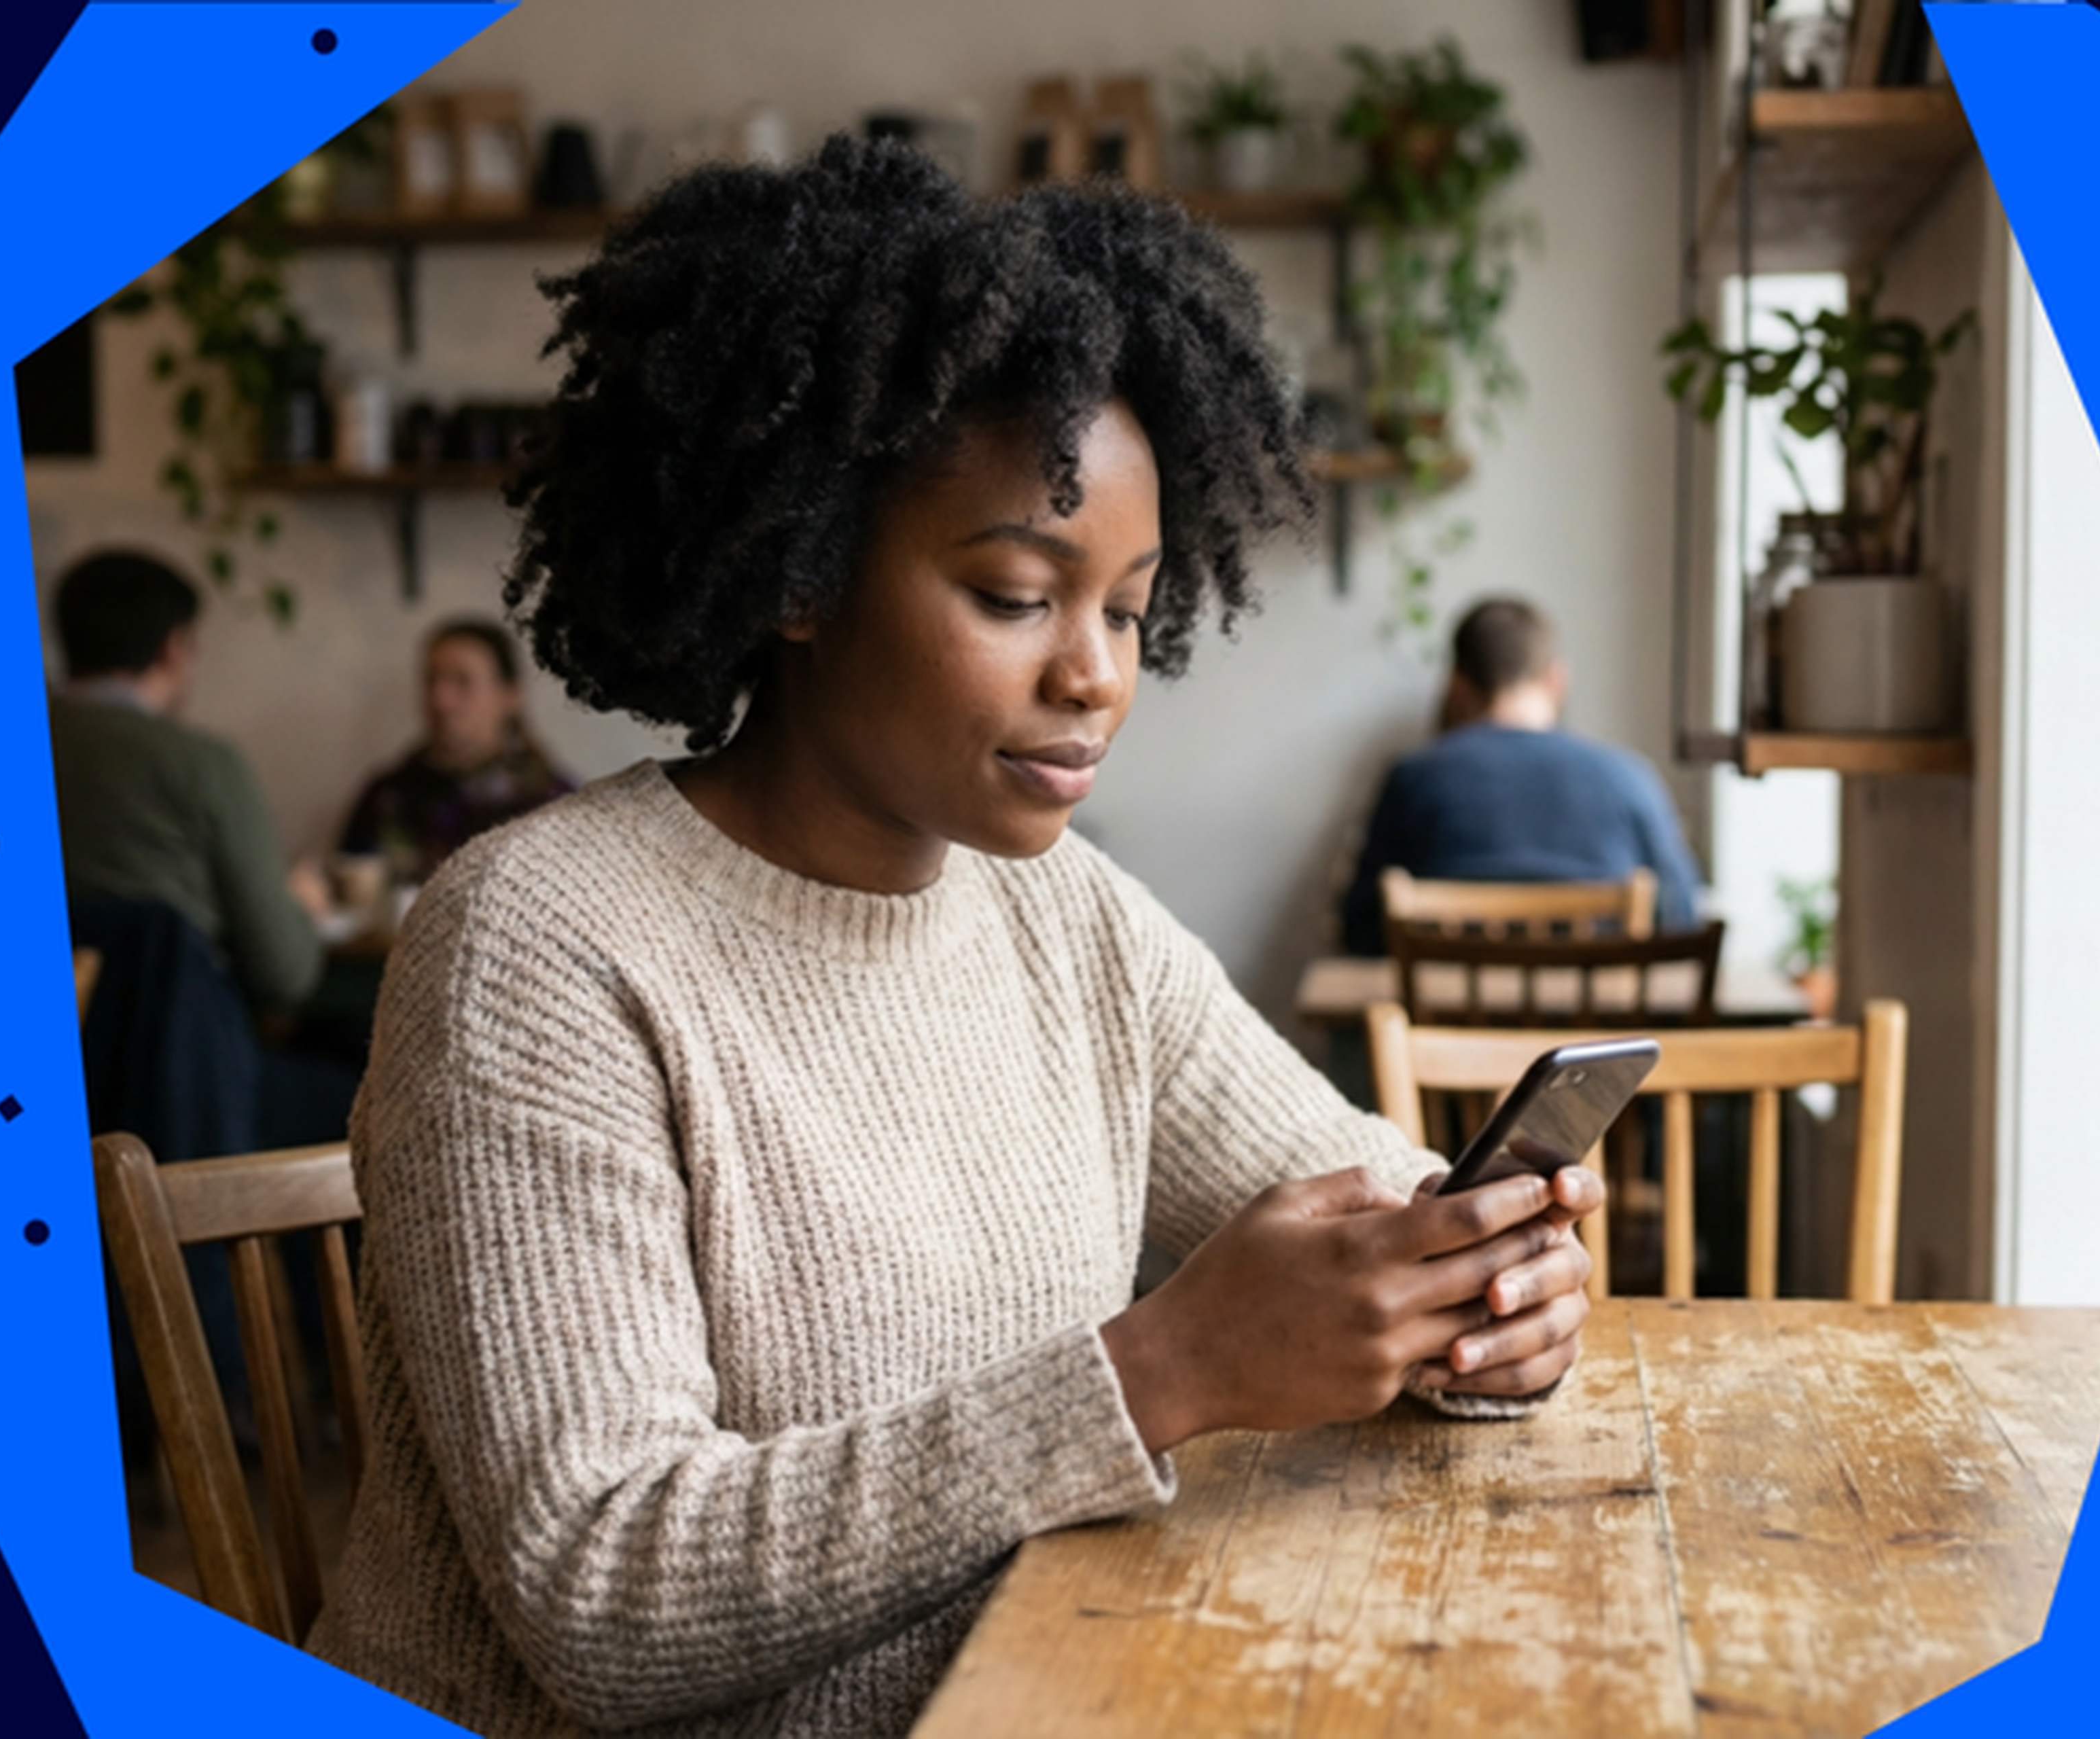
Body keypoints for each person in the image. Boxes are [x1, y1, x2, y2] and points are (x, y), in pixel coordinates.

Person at [306, 137, 1603, 1736]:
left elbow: (1354, 1184)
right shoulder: (536, 944)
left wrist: (1480, 1287)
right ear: (799, 572)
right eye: (1013, 593)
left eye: (1126, 607)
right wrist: (1159, 1371)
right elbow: (605, 1588)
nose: (1098, 674)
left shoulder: (1064, 913)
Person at [1338, 596, 1707, 955]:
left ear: (1456, 684)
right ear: (1557, 678)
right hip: (1601, 1017)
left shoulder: (1414, 779)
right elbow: (1680, 919)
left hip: (1447, 1018)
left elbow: (1361, 928)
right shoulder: (1629, 779)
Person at [48, 550, 325, 1016]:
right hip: (179, 1061)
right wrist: (300, 907)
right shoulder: (203, 765)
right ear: (174, 647)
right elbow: (286, 972)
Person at [336, 616, 576, 888]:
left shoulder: (551, 804)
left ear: (510, 695)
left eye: (462, 682)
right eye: (432, 680)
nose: (441, 700)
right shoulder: (388, 796)